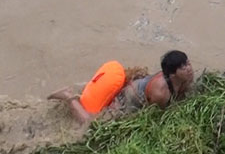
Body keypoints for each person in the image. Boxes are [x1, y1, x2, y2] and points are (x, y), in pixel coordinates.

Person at [47, 50, 194, 124]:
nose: (189, 68)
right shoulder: (160, 93)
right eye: (183, 67)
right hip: (129, 99)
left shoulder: (187, 77)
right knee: (91, 125)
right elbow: (154, 116)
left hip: (140, 87)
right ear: (173, 74)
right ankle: (68, 97)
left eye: (187, 63)